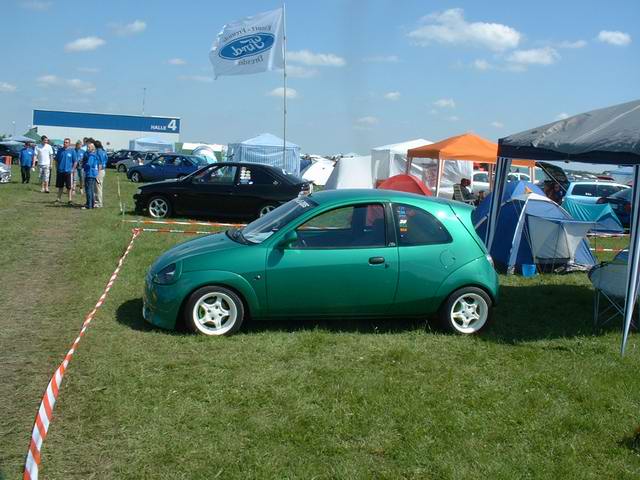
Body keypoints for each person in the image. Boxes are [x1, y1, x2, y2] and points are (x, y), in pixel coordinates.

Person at [55, 138, 77, 204]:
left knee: (69, 187)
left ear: (69, 143)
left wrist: (72, 169)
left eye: (67, 142)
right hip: (60, 171)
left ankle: (70, 200)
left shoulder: (72, 151)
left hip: (68, 172)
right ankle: (58, 199)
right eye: (64, 142)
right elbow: (56, 160)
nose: (65, 143)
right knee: (60, 186)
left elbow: (75, 161)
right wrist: (57, 168)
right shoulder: (60, 150)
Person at [83, 142, 99, 209]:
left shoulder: (91, 155)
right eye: (87, 147)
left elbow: (89, 164)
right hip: (92, 174)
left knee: (89, 190)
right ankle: (91, 204)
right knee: (91, 190)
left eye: (89, 147)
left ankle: (89, 205)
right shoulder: (94, 155)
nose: (87, 148)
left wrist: (84, 166)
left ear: (92, 148)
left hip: (90, 174)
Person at [94, 140, 107, 208]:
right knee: (98, 187)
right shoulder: (104, 151)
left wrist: (97, 173)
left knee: (98, 187)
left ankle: (99, 203)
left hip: (99, 171)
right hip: (103, 170)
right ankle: (97, 202)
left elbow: (100, 163)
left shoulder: (98, 152)